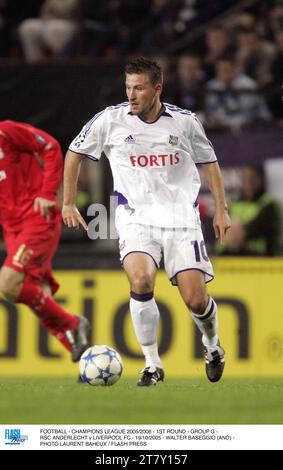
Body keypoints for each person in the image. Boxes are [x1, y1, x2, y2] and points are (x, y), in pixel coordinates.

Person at [62, 57, 231, 387]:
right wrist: (68, 202)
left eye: (138, 88)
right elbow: (74, 153)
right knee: (140, 281)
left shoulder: (184, 123)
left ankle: (212, 346)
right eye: (127, 87)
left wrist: (222, 209)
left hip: (181, 220)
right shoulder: (110, 121)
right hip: (135, 219)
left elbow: (210, 163)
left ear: (157, 89)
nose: (131, 95)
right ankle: (152, 364)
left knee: (195, 299)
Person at [0, 120, 89, 364]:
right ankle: (85, 360)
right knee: (36, 294)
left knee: (8, 283)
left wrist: (47, 193)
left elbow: (49, 146)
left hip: (37, 218)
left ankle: (73, 323)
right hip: (12, 230)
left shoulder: (6, 131)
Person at [219, 165, 282, 256]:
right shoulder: (234, 203)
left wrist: (238, 231)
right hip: (232, 256)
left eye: (252, 178)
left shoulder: (268, 204)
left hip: (259, 258)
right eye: (245, 178)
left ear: (260, 180)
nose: (248, 182)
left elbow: (256, 228)